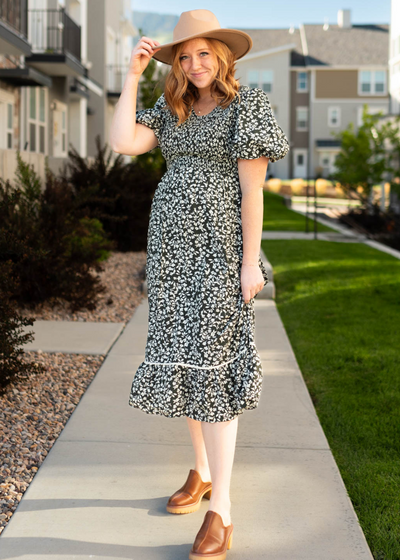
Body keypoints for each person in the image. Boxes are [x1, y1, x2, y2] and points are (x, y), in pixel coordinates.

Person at [110, 9, 290, 560]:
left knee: (212, 367)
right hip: (171, 252)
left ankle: (223, 511)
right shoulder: (173, 108)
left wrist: (249, 262)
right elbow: (122, 142)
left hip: (219, 251)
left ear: (223, 56)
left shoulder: (247, 107)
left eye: (203, 54)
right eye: (184, 56)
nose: (194, 65)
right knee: (185, 360)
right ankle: (204, 471)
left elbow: (253, 192)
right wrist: (133, 72)